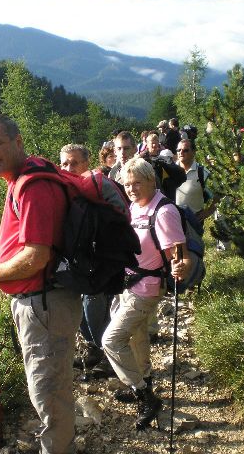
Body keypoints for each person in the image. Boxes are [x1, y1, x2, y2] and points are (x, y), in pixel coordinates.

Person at [0, 114, 82, 454]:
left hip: (43, 304)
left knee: (47, 391)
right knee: (49, 386)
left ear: (17, 142)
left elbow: (36, 256)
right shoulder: (24, 178)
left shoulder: (34, 186)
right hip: (42, 302)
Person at [102, 158, 191, 430]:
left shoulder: (163, 212)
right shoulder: (135, 207)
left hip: (147, 289)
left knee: (111, 340)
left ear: (152, 181)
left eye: (137, 182)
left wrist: (180, 267)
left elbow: (181, 257)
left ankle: (144, 395)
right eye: (127, 184)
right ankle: (144, 379)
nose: (131, 188)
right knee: (136, 337)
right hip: (127, 284)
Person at [59, 143, 116, 378]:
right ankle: (94, 349)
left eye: (74, 162)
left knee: (96, 308)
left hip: (102, 261)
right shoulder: (64, 188)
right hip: (77, 263)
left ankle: (110, 357)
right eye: (64, 163)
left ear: (86, 163)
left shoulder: (98, 186)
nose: (69, 167)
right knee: (80, 311)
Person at [175, 138, 218, 223]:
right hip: (173, 219)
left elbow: (218, 194)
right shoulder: (169, 170)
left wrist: (208, 211)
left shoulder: (203, 172)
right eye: (178, 150)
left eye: (185, 150)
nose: (181, 153)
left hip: (194, 221)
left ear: (193, 152)